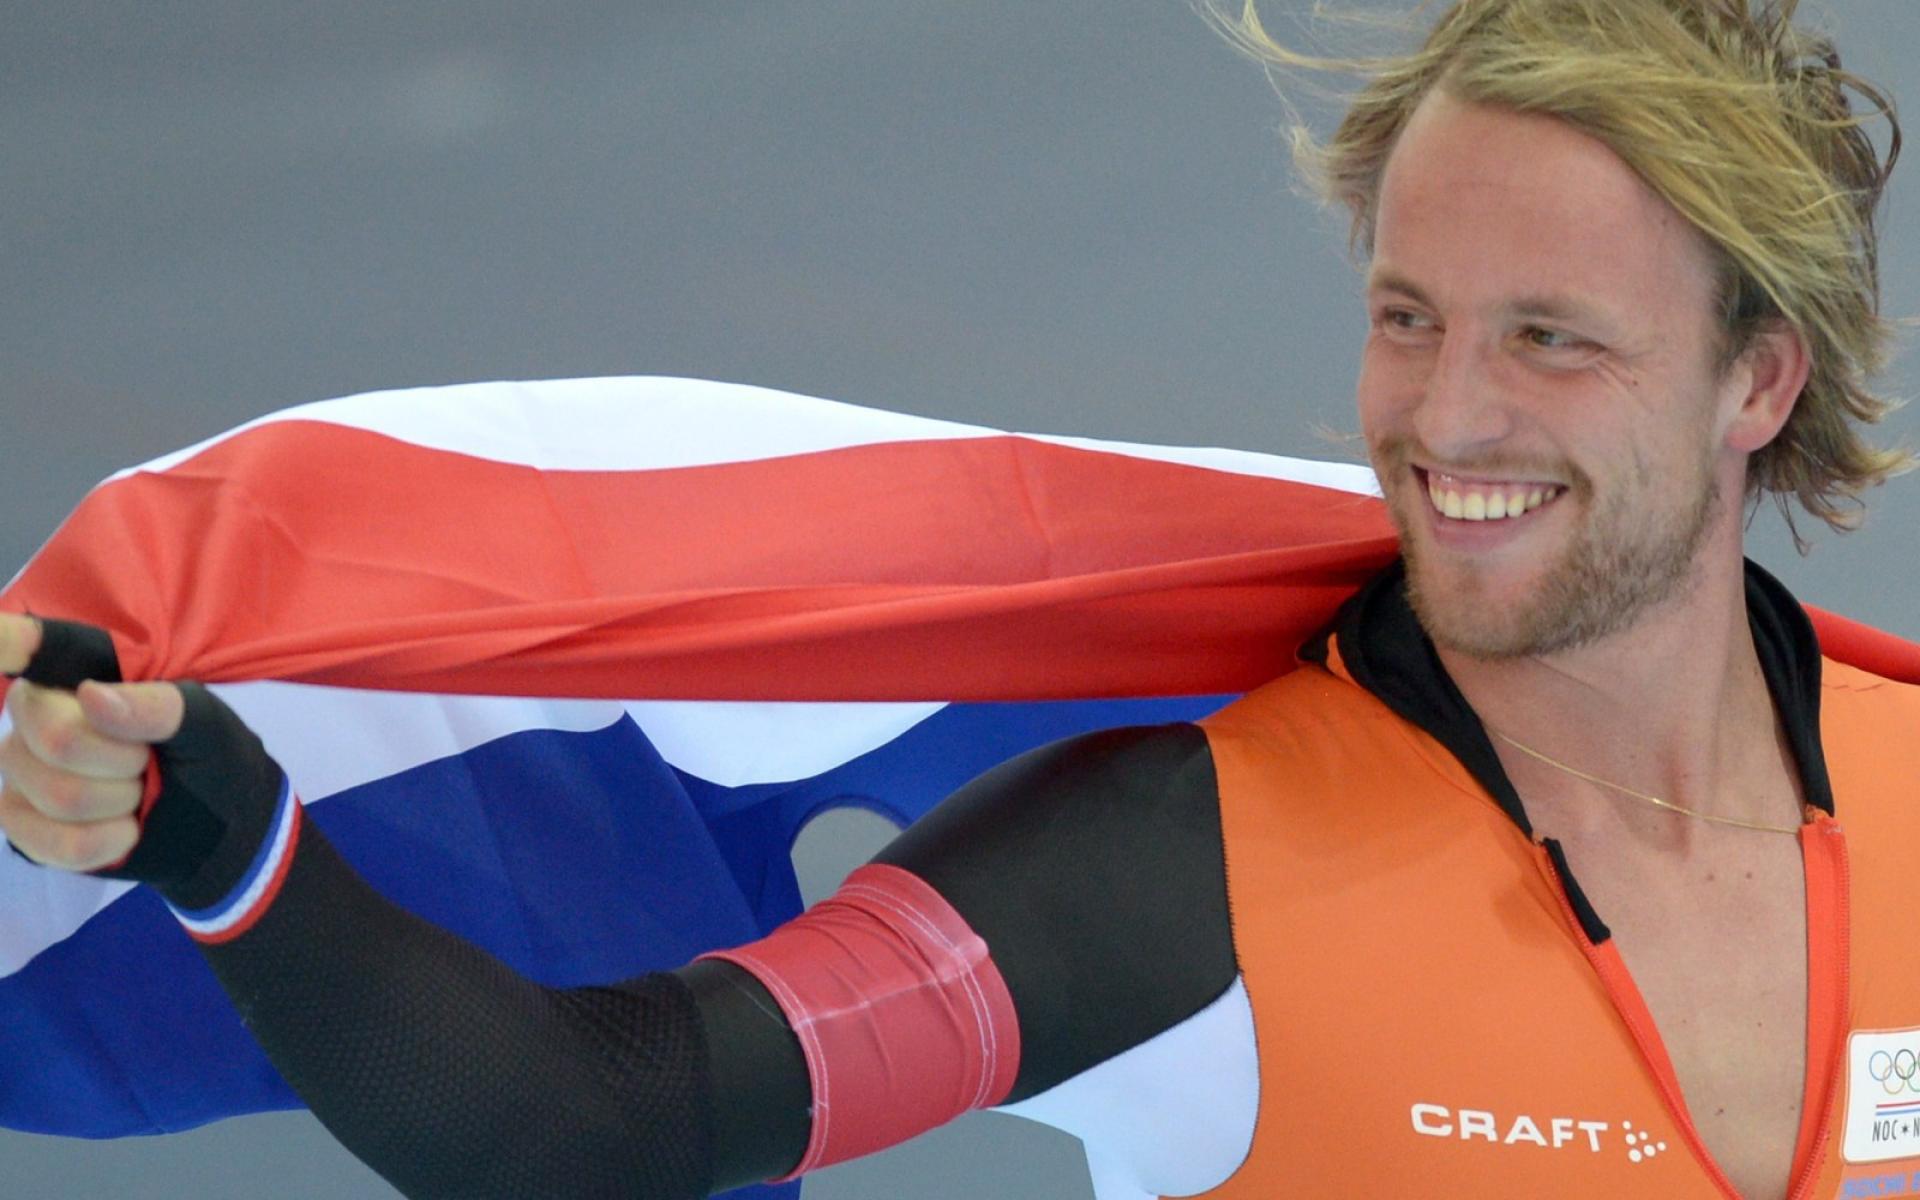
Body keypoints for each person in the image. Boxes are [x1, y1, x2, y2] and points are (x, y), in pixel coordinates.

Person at [2, 0, 1914, 1196]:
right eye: (1408, 317)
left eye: (1552, 337)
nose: (1447, 414)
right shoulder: (1181, 867)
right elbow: (591, 1122)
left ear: (1757, 382)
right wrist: (230, 843)